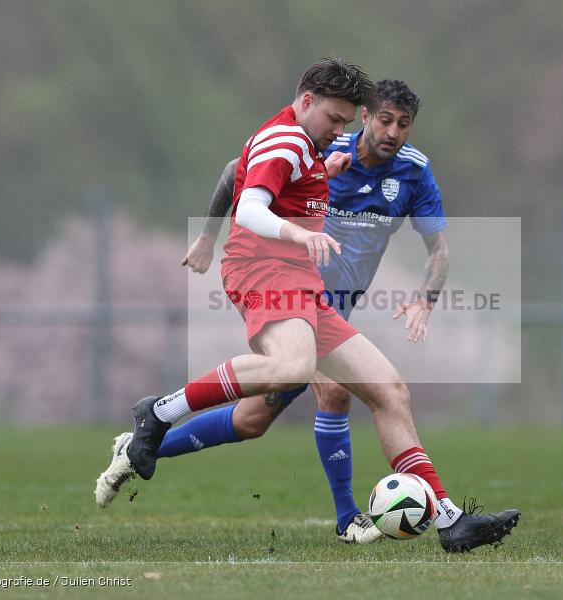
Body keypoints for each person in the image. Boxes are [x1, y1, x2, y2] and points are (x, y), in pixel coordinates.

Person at [95, 60, 520, 553]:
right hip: (269, 269)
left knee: (385, 393)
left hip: (308, 289)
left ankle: (449, 520)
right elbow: (247, 195)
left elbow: (433, 248)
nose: (343, 130)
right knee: (306, 376)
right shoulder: (289, 140)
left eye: (397, 123)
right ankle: (162, 413)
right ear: (308, 103)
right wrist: (224, 236)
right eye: (342, 120)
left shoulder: (330, 151)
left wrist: (323, 174)